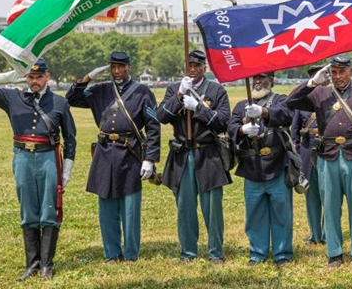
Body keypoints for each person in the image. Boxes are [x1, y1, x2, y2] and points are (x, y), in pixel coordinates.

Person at [0, 59, 76, 280]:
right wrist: (9, 76)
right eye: (30, 77)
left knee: (49, 209)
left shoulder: (59, 103)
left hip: (48, 156)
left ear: (47, 77)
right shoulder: (13, 97)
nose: (34, 81)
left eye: (39, 77)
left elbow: (70, 138)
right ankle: (33, 264)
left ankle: (47, 265)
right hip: (22, 157)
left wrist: (66, 169)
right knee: (28, 209)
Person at [286, 55, 352, 268]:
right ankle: (334, 253)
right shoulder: (320, 93)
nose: (338, 76)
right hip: (327, 155)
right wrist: (312, 83)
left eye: (342, 71)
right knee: (330, 206)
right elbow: (291, 101)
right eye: (334, 72)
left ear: (351, 71)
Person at [66, 51, 161, 263]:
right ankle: (111, 252)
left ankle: (130, 254)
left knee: (130, 207)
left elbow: (153, 128)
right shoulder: (100, 90)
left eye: (121, 67)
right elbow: (72, 99)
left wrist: (150, 159)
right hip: (105, 152)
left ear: (130, 67)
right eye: (113, 67)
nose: (117, 71)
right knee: (106, 206)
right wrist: (87, 79)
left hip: (130, 152)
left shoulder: (143, 92)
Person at [158, 50, 231, 264]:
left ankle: (215, 252)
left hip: (208, 154)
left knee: (212, 209)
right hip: (182, 154)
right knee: (185, 208)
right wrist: (179, 95)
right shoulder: (173, 89)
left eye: (197, 66)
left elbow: (223, 121)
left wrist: (198, 108)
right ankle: (188, 252)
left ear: (204, 69)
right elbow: (161, 116)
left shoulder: (216, 90)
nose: (193, 69)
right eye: (189, 65)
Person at [229, 71, 295, 267]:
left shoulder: (280, 99)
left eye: (262, 78)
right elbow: (230, 127)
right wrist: (241, 130)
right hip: (252, 167)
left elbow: (288, 115)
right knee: (255, 214)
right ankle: (257, 253)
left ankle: (282, 253)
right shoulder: (242, 105)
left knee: (281, 213)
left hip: (277, 164)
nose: (258, 82)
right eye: (254, 78)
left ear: (271, 80)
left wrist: (264, 112)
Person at [290, 65, 326, 246]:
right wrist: (298, 154)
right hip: (307, 152)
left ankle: (327, 233)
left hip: (327, 152)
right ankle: (315, 234)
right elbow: (294, 133)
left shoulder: (330, 100)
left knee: (329, 194)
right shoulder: (302, 105)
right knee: (311, 196)